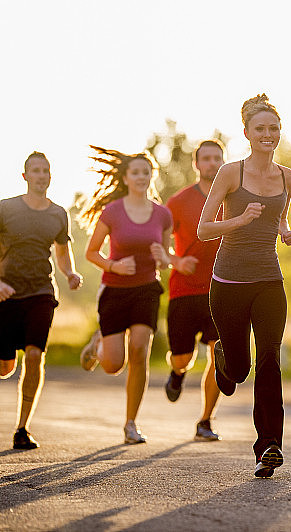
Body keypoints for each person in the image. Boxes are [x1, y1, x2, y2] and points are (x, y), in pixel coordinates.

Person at [197, 94, 291, 478]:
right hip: (228, 282)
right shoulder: (230, 173)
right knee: (240, 371)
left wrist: (285, 232)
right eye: (260, 129)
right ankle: (226, 358)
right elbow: (204, 229)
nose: (268, 134)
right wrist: (238, 221)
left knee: (270, 360)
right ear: (247, 133)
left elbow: (279, 219)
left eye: (274, 128)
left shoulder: (289, 177)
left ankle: (269, 445)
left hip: (269, 280)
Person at [79, 146, 172, 445]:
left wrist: (164, 257)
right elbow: (91, 252)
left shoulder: (162, 214)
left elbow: (166, 258)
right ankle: (99, 343)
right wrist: (114, 265)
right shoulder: (113, 211)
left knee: (140, 350)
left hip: (146, 289)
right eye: (136, 172)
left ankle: (131, 423)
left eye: (146, 172)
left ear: (151, 176)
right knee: (113, 365)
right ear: (126, 177)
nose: (141, 177)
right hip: (115, 291)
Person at [0, 152, 83, 449]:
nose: (41, 175)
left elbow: (62, 252)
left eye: (45, 170)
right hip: (6, 293)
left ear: (51, 175)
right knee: (5, 367)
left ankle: (22, 428)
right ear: (25, 176)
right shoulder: (5, 209)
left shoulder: (58, 214)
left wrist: (70, 273)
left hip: (41, 293)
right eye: (35, 170)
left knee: (35, 355)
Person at [162, 140, 226, 441]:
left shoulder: (233, 199)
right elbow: (159, 247)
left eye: (217, 158)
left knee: (218, 355)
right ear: (196, 164)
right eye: (206, 159)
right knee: (182, 357)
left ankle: (205, 420)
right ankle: (177, 372)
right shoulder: (176, 202)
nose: (212, 163)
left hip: (221, 289)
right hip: (184, 291)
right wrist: (176, 260)